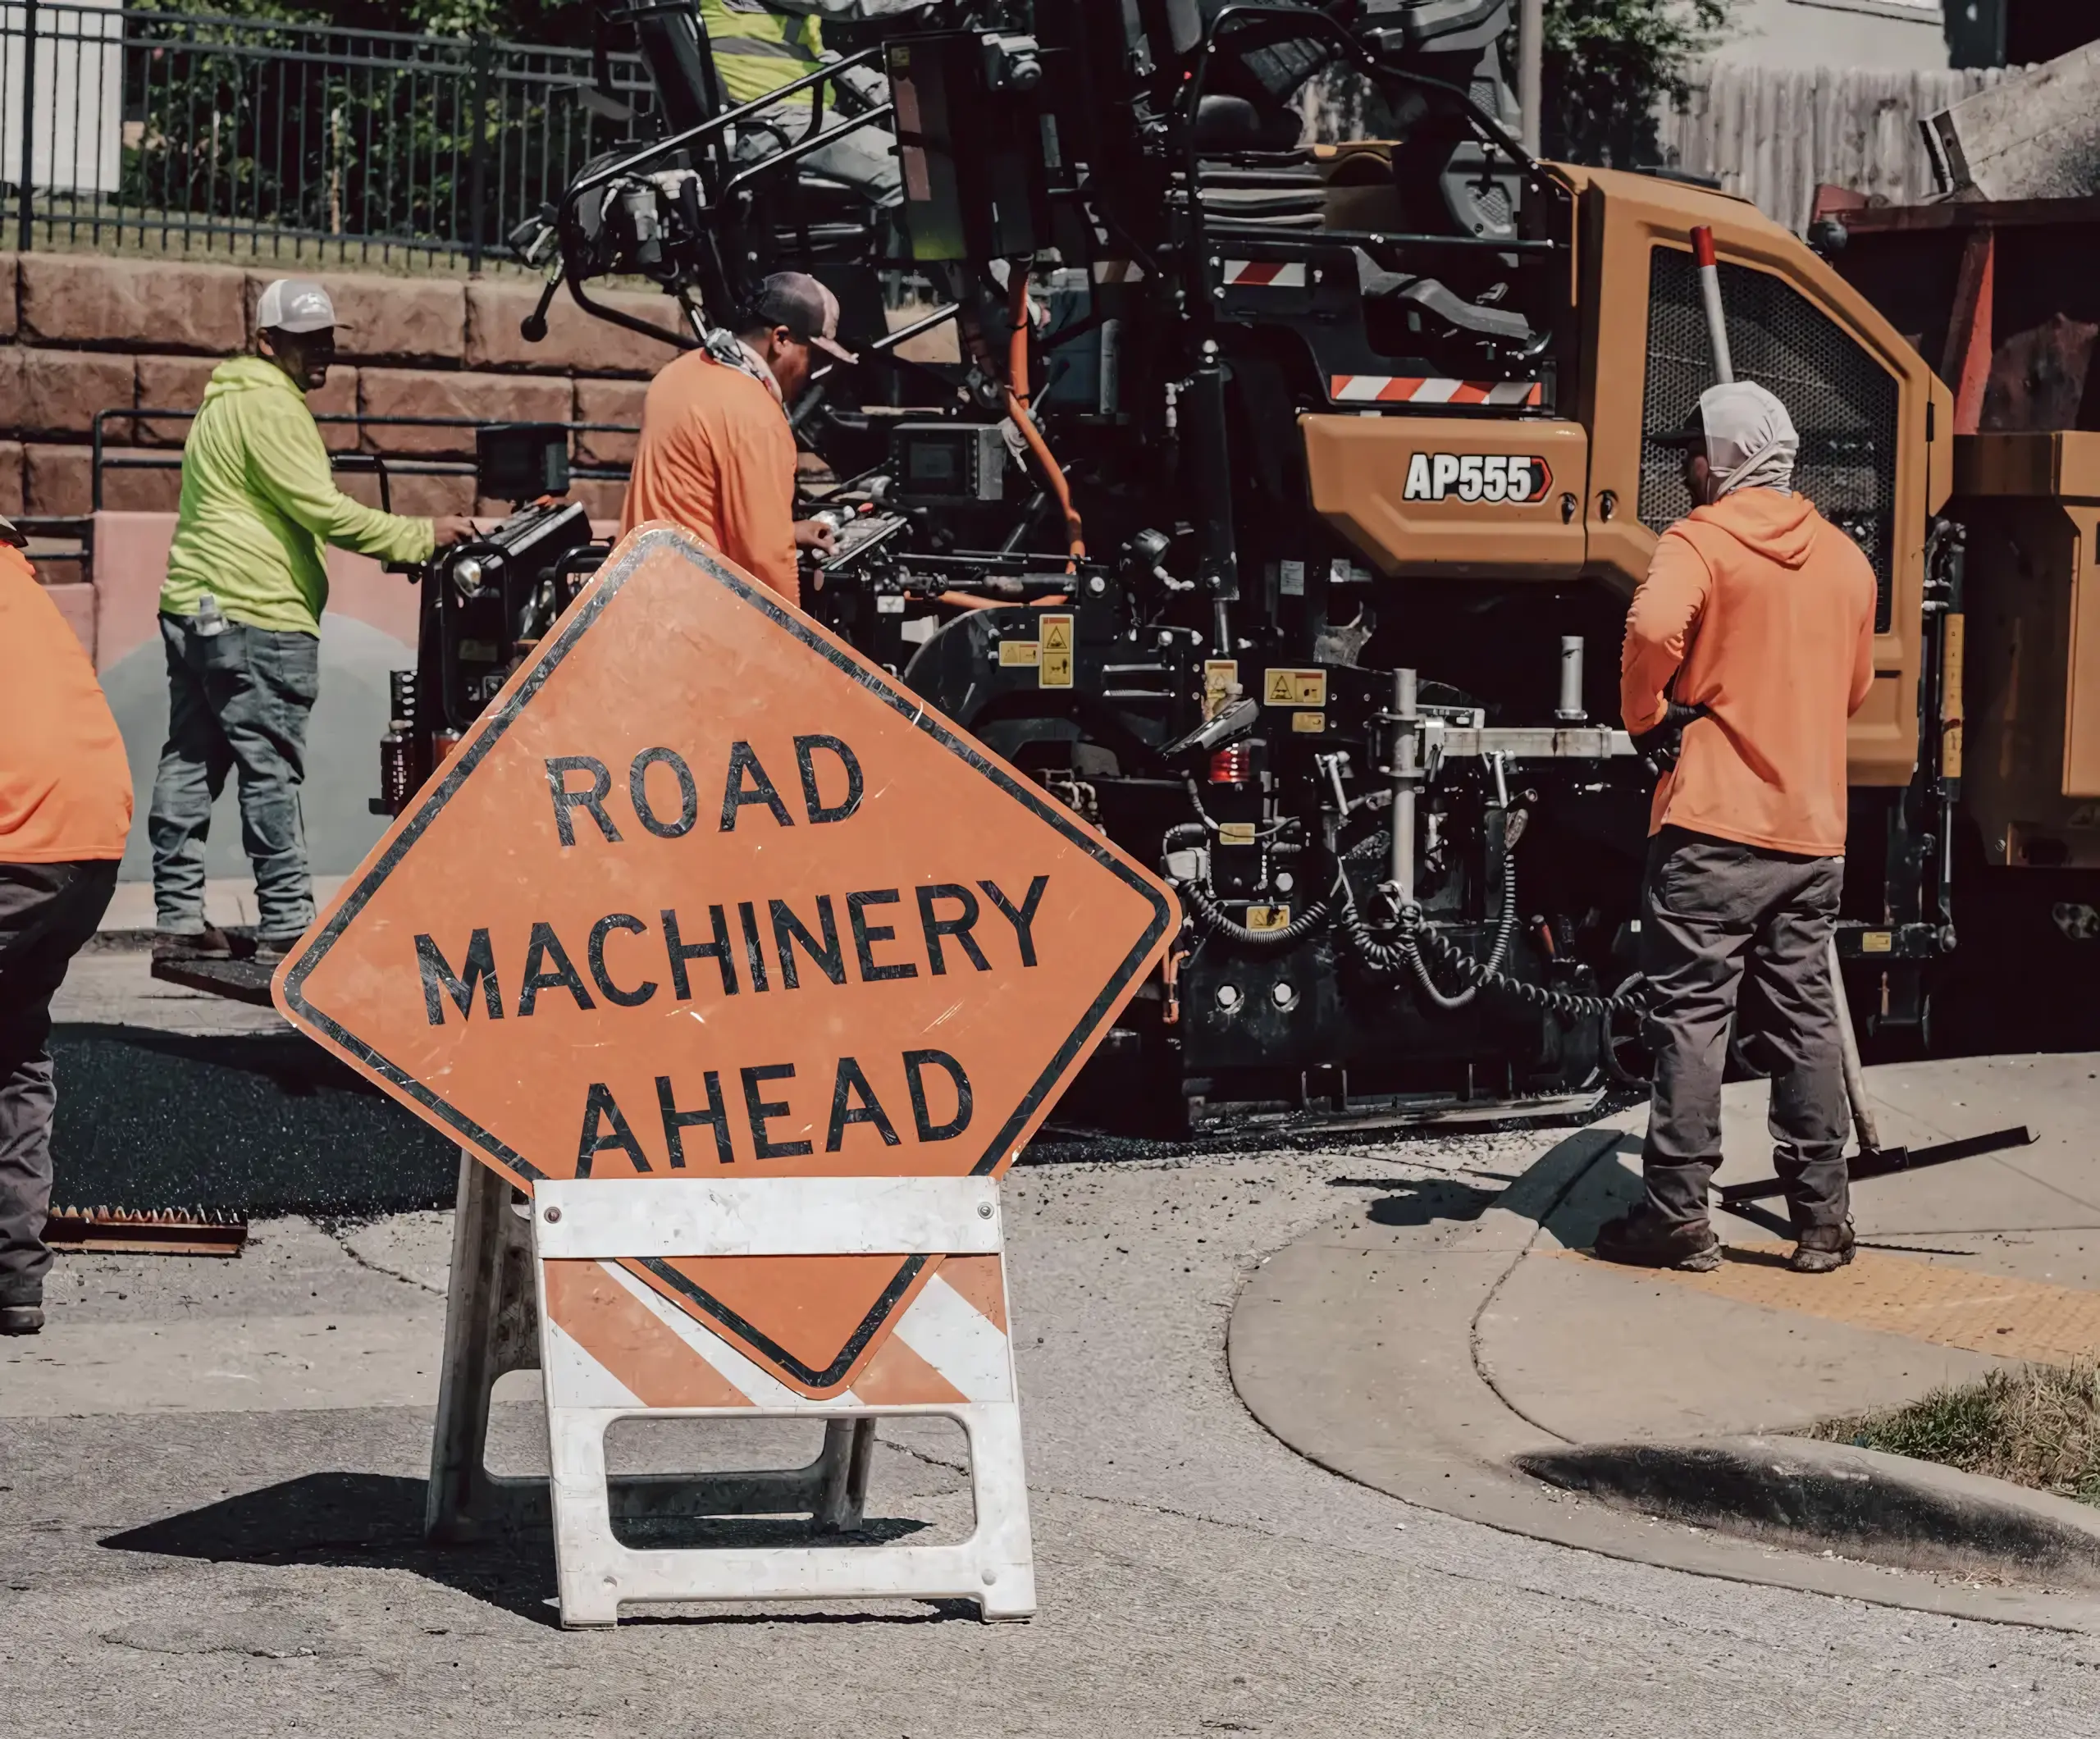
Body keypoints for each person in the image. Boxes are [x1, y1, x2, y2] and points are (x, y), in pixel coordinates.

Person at [1596, 380, 1878, 1277]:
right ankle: (1822, 1222)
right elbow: (1854, 688)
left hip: (1713, 822)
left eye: (1692, 450)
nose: (1683, 466)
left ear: (1722, 458)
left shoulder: (1700, 542)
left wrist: (1647, 714)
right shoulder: (1845, 561)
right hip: (1810, 829)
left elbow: (1648, 626)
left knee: (1690, 1018)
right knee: (1805, 1019)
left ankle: (1678, 1218)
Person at [149, 279, 473, 964]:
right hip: (258, 614)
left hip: (193, 606)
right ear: (268, 343)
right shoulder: (273, 408)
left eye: (326, 338)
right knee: (270, 769)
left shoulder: (221, 404)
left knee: (191, 756)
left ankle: (177, 915)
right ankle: (288, 922)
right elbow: (321, 508)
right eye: (305, 342)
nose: (320, 353)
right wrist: (421, 536)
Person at [0, 521, 134, 1336]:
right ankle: (15, 1278)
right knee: (13, 1048)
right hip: (87, 843)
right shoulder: (20, 583)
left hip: (18, 840)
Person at [620, 272, 856, 607]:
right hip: (698, 616)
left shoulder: (678, 374)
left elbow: (690, 508)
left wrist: (788, 532)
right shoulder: (757, 417)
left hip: (641, 594)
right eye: (814, 357)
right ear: (782, 339)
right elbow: (766, 562)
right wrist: (792, 650)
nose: (811, 373)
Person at [702, 0, 922, 210]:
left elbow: (815, 54)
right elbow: (843, 4)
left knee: (929, 136)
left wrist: (883, 90)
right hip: (773, 118)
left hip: (793, 112)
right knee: (918, 169)